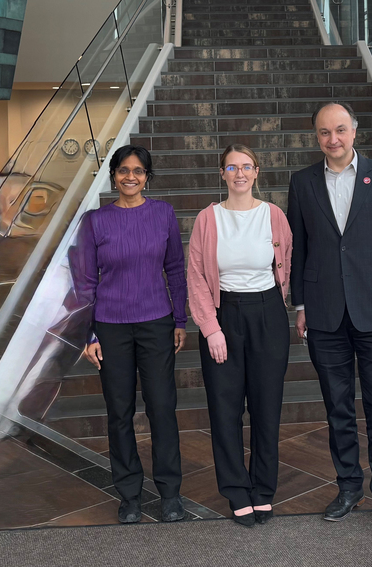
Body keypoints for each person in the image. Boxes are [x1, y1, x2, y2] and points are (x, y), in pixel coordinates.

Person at [287, 101, 372, 535]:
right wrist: (300, 305)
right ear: (316, 137)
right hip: (324, 312)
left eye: (340, 129)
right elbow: (299, 248)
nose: (333, 139)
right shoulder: (302, 182)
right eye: (324, 132)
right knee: (337, 407)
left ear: (355, 131)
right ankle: (347, 486)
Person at [75, 144, 187, 524]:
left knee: (161, 408)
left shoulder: (163, 214)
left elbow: (175, 269)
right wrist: (87, 334)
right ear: (114, 176)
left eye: (138, 171)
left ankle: (170, 494)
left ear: (147, 177)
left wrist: (180, 320)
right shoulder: (95, 221)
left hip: (156, 321)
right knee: (119, 412)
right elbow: (86, 281)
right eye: (124, 170)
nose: (130, 177)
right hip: (110, 326)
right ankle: (129, 495)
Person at [187, 143, 292, 527]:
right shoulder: (207, 218)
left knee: (267, 407)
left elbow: (287, 262)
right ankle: (235, 489)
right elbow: (195, 276)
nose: (240, 174)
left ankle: (263, 489)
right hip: (223, 314)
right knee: (225, 408)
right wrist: (211, 328)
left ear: (257, 172)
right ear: (223, 174)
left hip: (268, 315)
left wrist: (278, 308)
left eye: (247, 167)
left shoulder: (274, 216)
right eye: (232, 168)